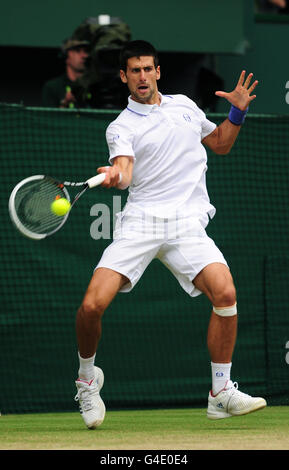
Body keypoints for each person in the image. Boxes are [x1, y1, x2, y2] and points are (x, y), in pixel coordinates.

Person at [74, 40, 267, 429]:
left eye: (148, 69)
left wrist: (237, 111)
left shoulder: (185, 106)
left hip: (186, 224)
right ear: (125, 77)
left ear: (157, 71)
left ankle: (220, 392)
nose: (142, 76)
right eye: (135, 71)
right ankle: (87, 379)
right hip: (142, 221)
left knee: (225, 293)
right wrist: (116, 176)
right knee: (92, 306)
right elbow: (126, 172)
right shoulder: (121, 126)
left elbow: (222, 144)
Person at [41, 39, 91, 108]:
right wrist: (65, 103)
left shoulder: (94, 86)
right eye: (77, 51)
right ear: (66, 56)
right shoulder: (53, 87)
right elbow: (48, 117)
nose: (84, 56)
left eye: (86, 51)